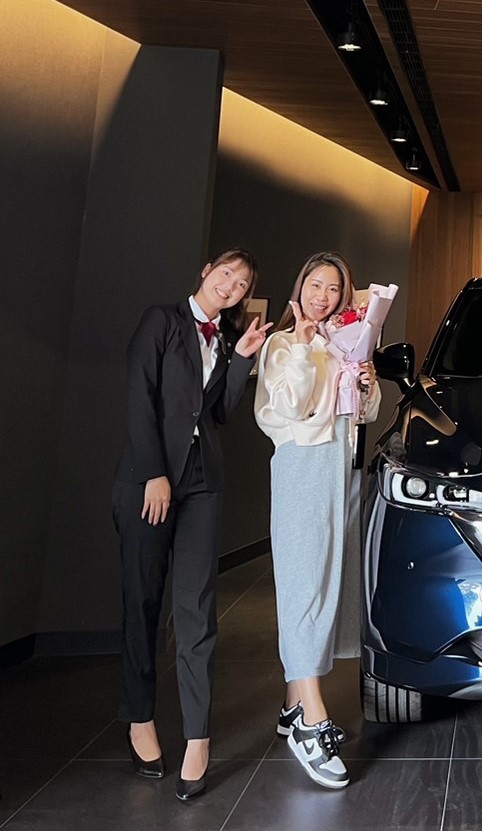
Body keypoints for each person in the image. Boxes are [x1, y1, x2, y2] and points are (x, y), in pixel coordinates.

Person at [114, 249, 271, 801]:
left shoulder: (226, 339)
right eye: (226, 274)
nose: (231, 285)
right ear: (207, 272)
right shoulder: (162, 320)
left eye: (242, 283)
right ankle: (139, 719)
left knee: (198, 609)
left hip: (202, 481)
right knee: (143, 603)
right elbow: (139, 395)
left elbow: (220, 412)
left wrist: (243, 359)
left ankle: (198, 739)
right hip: (149, 480)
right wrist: (153, 472)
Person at [254, 252, 381, 789]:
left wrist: (366, 381)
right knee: (305, 584)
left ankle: (291, 706)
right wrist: (308, 348)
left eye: (334, 289)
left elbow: (363, 415)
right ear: (300, 286)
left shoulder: (345, 344)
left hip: (341, 469)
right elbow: (288, 407)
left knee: (330, 582)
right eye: (315, 284)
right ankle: (311, 719)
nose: (323, 296)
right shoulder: (284, 344)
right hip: (303, 466)